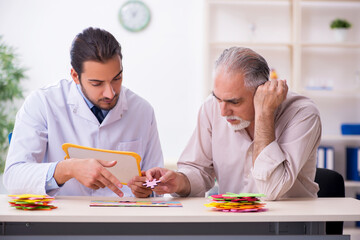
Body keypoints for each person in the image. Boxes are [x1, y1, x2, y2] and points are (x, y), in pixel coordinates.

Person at [4, 27, 163, 198]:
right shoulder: (43, 103)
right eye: (97, 83)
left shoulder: (142, 110)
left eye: (117, 79)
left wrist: (148, 189)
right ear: (75, 75)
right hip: (62, 219)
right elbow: (14, 178)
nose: (110, 93)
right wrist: (67, 169)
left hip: (122, 218)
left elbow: (155, 183)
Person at [146, 47, 321, 200]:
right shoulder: (211, 107)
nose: (223, 112)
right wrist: (180, 181)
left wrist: (264, 113)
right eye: (218, 98)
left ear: (261, 91)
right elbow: (198, 170)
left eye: (234, 102)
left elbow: (271, 190)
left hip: (289, 225)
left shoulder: (302, 114)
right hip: (232, 221)